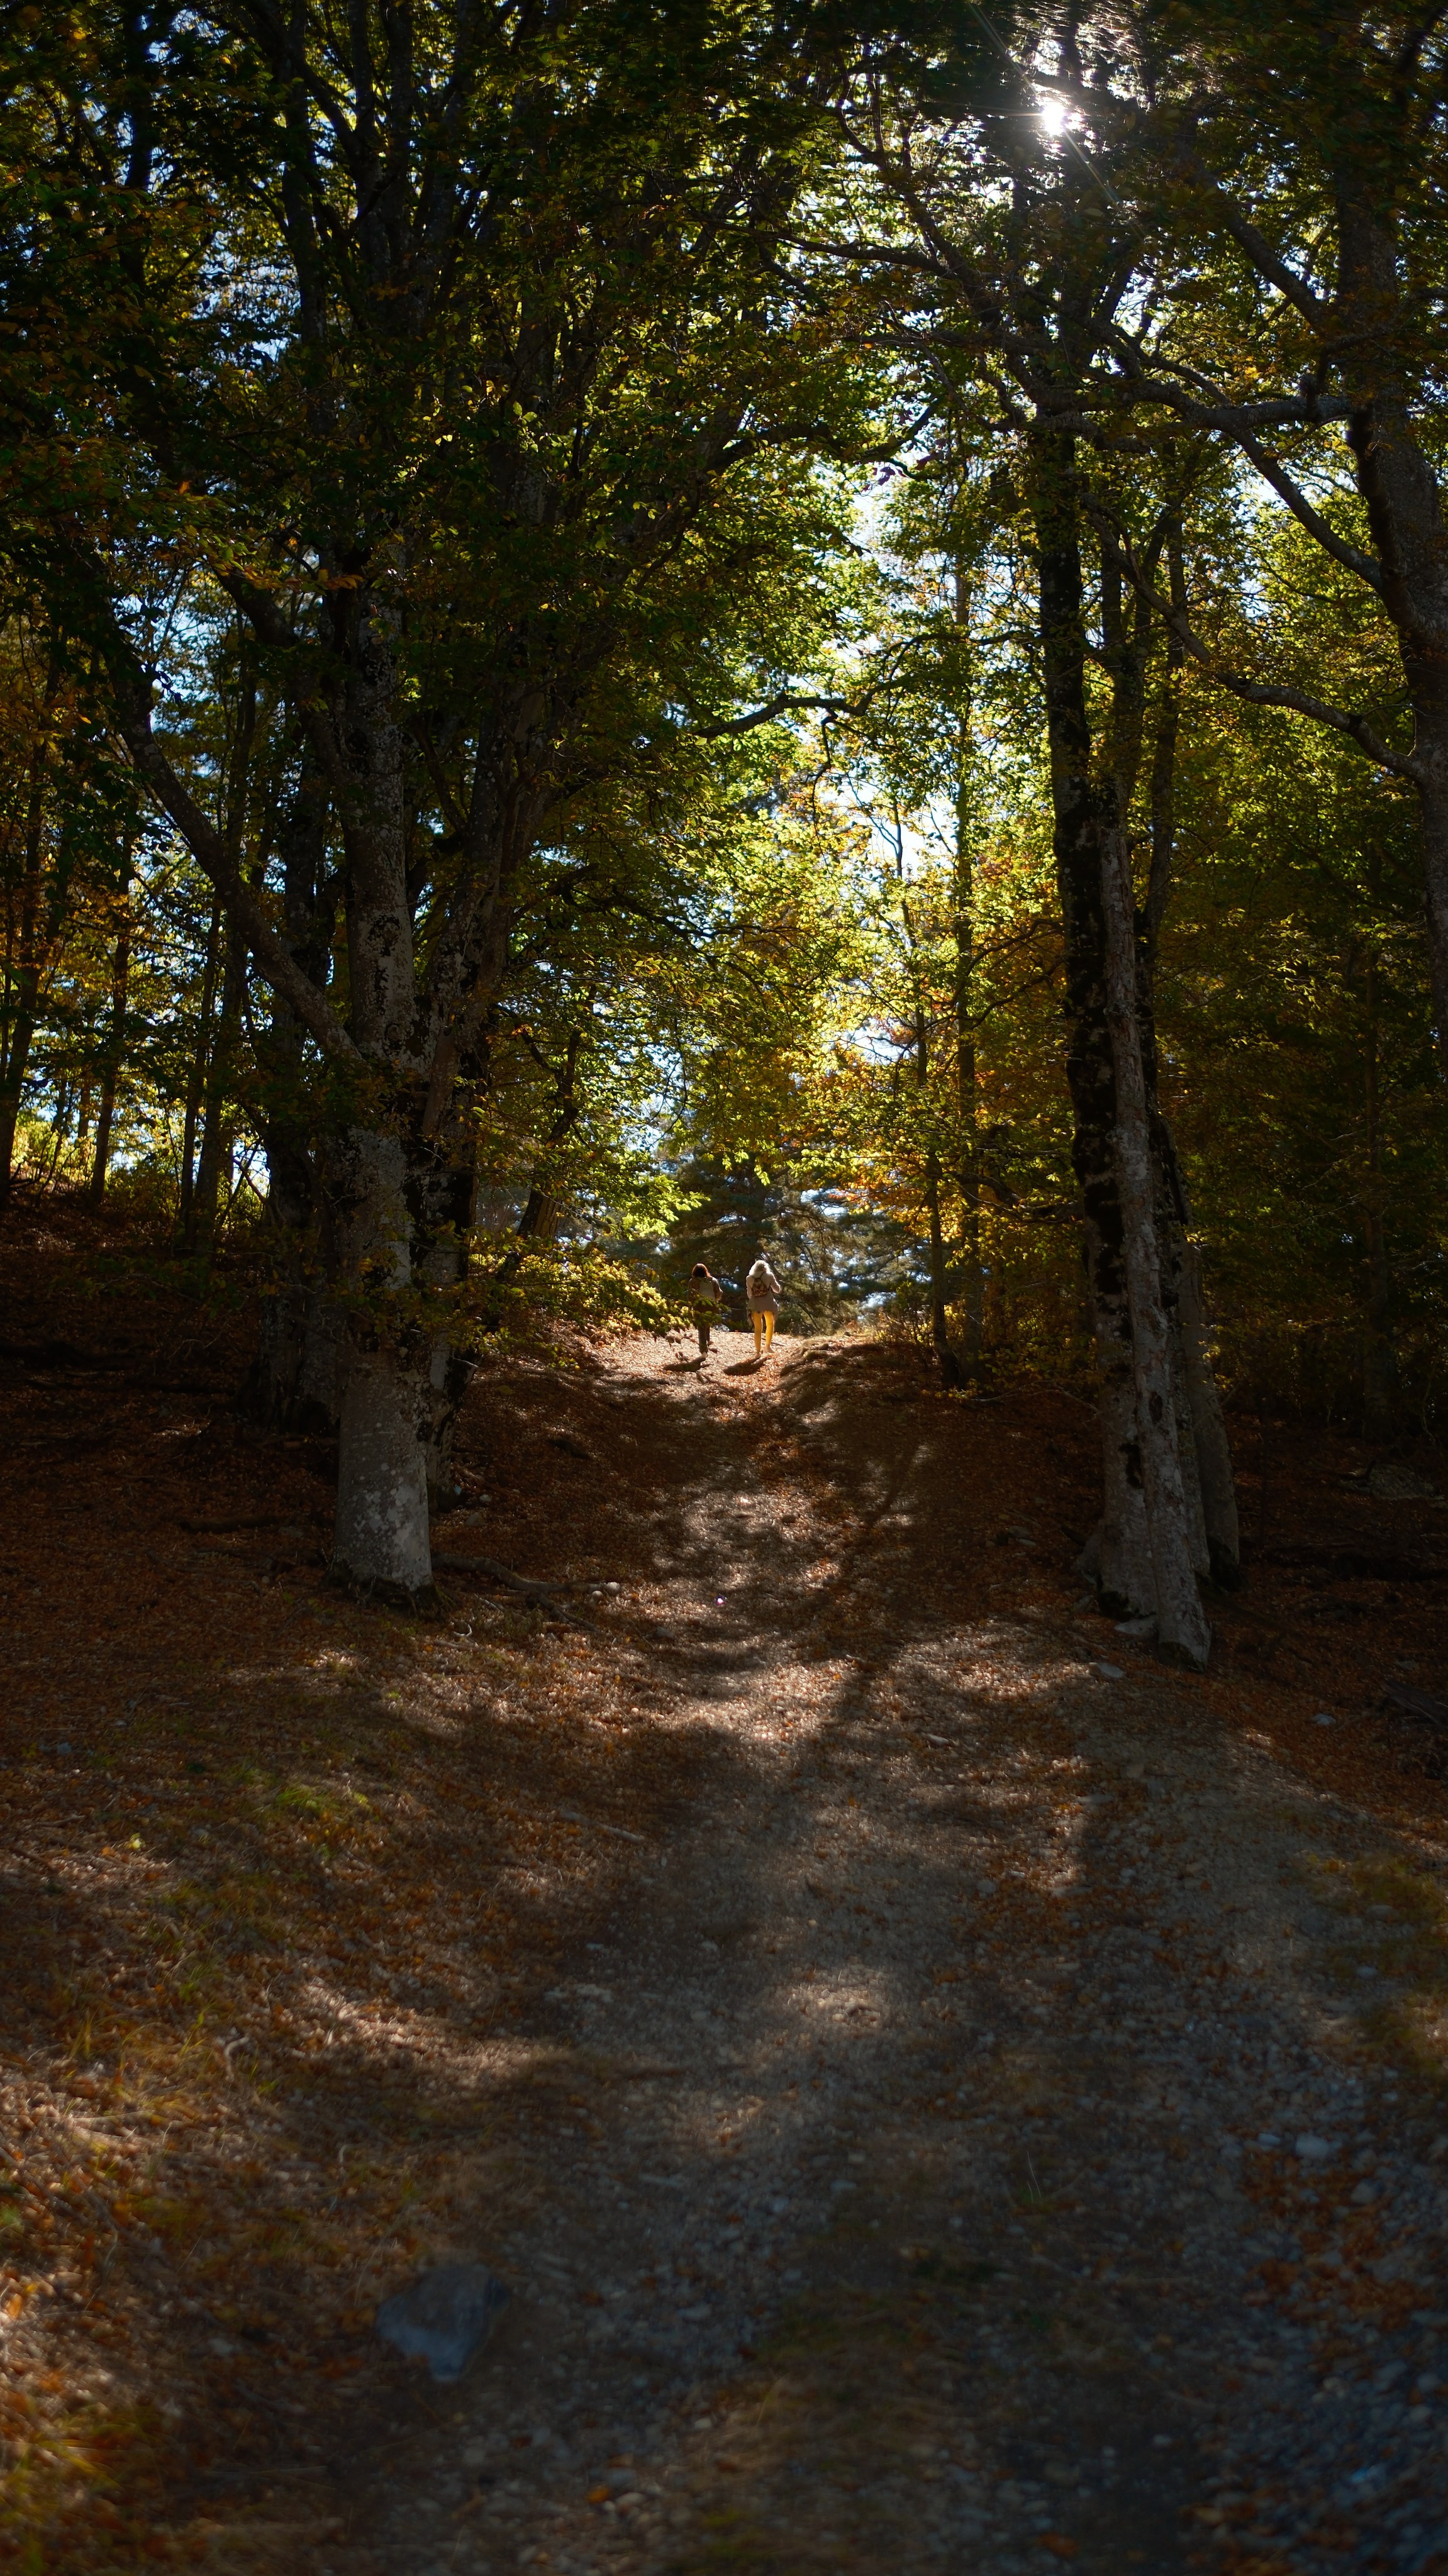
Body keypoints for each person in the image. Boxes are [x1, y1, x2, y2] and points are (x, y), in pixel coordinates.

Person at [745, 1248, 782, 1358]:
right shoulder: (769, 1276)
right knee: (770, 1324)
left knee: (758, 1328)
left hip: (755, 1305)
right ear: (765, 1267)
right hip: (768, 1304)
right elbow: (777, 1290)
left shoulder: (749, 1278)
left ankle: (757, 1352)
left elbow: (749, 1294)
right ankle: (768, 1346)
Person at [688, 1260, 723, 1360]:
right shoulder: (713, 1280)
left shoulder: (693, 1281)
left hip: (699, 1305)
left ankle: (703, 1351)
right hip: (712, 1305)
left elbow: (691, 1295)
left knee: (701, 1327)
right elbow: (719, 1293)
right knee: (707, 1324)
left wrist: (689, 1307)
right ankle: (707, 1342)